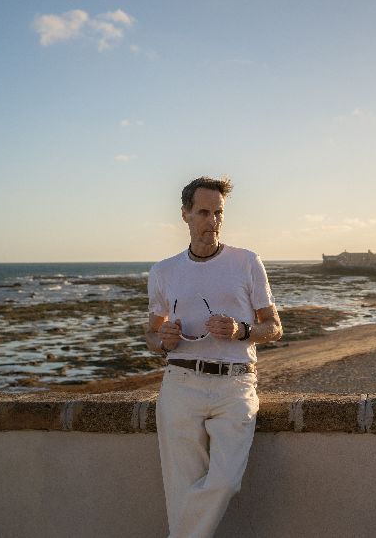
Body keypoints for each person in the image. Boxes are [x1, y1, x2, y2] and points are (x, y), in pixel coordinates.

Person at [146, 176, 283, 538]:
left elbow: (274, 326)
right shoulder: (163, 271)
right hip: (180, 384)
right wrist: (164, 339)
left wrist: (241, 330)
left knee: (224, 481)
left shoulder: (247, 262)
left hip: (235, 384)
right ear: (185, 215)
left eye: (219, 213)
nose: (213, 221)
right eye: (204, 212)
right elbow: (150, 333)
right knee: (180, 490)